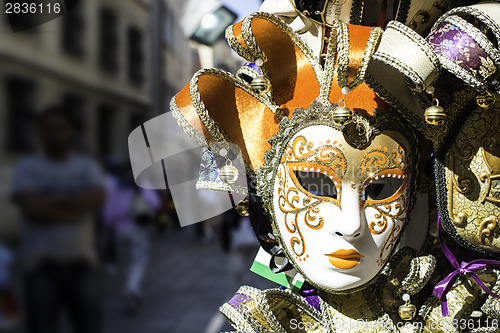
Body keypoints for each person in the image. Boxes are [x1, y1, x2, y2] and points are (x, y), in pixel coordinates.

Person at [10, 106, 105, 333]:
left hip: (82, 266)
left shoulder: (86, 166)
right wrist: (76, 206)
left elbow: (96, 198)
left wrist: (52, 199)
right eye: (49, 129)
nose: (55, 134)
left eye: (61, 128)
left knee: (88, 326)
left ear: (71, 132)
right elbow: (32, 209)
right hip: (40, 267)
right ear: (40, 132)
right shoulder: (27, 167)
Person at [101, 163, 161, 314]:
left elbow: (108, 213)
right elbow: (155, 203)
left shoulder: (116, 187)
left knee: (125, 260)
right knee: (139, 260)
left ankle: (129, 287)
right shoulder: (141, 184)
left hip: (118, 230)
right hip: (138, 228)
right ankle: (132, 289)